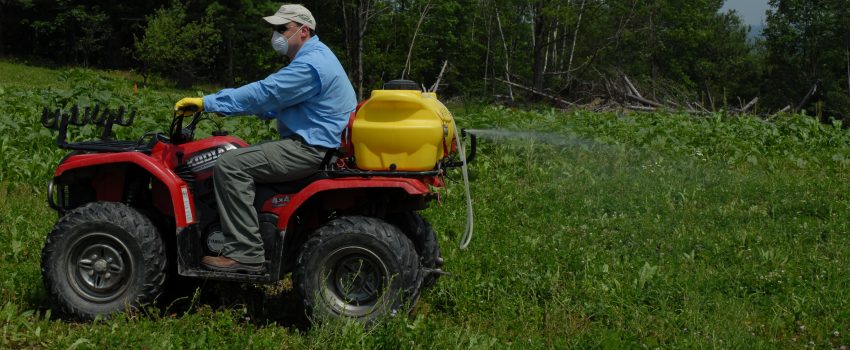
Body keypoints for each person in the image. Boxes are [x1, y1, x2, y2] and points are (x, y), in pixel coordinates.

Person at [174, 4, 357, 273]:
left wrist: (208, 103)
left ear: (304, 31)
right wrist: (240, 108)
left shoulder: (310, 65)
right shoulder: (317, 57)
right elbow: (277, 102)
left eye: (283, 29)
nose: (277, 35)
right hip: (320, 144)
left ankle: (245, 252)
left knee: (230, 165)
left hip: (310, 148)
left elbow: (266, 93)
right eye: (275, 29)